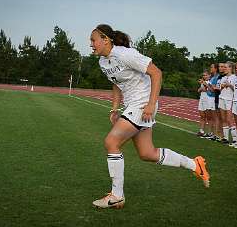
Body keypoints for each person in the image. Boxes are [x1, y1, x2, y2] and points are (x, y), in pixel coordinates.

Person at [89, 24, 210, 209]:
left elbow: (156, 73)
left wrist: (151, 104)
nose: (91, 44)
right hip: (133, 105)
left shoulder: (125, 54)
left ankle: (117, 196)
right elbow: (116, 83)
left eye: (93, 40)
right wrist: (114, 108)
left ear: (106, 39)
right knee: (147, 153)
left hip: (143, 103)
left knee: (111, 142)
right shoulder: (103, 62)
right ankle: (195, 165)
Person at [219, 61, 237, 144]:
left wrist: (229, 85)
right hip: (222, 98)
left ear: (230, 68)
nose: (223, 69)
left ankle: (235, 139)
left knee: (229, 119)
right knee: (223, 119)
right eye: (223, 67)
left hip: (229, 99)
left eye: (225, 67)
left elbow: (236, 90)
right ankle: (225, 138)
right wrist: (222, 86)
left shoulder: (234, 77)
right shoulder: (223, 77)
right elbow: (220, 88)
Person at [197, 71, 214, 137]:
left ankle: (210, 132)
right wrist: (201, 88)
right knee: (202, 116)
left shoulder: (210, 82)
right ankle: (201, 131)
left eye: (206, 75)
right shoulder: (202, 82)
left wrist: (205, 87)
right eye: (203, 75)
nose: (204, 76)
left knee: (209, 117)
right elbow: (199, 90)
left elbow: (212, 90)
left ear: (209, 75)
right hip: (202, 100)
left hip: (208, 100)